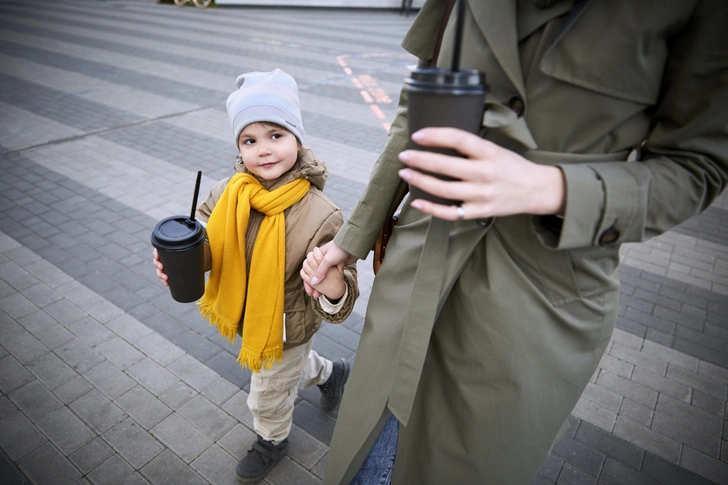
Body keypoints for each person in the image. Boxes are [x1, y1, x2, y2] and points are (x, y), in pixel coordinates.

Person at [301, 1, 728, 484]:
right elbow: (418, 103)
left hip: (536, 297)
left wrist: (551, 187)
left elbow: (698, 167)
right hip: (418, 261)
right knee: (363, 461)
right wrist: (352, 238)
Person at [152, 69, 359, 484]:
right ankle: (332, 374)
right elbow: (209, 239)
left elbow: (345, 291)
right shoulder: (228, 193)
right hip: (253, 317)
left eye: (276, 135)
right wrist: (190, 259)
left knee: (266, 394)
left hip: (287, 324)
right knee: (288, 371)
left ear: (297, 138)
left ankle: (272, 438)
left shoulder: (322, 213)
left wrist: (332, 285)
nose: (263, 150)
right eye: (250, 140)